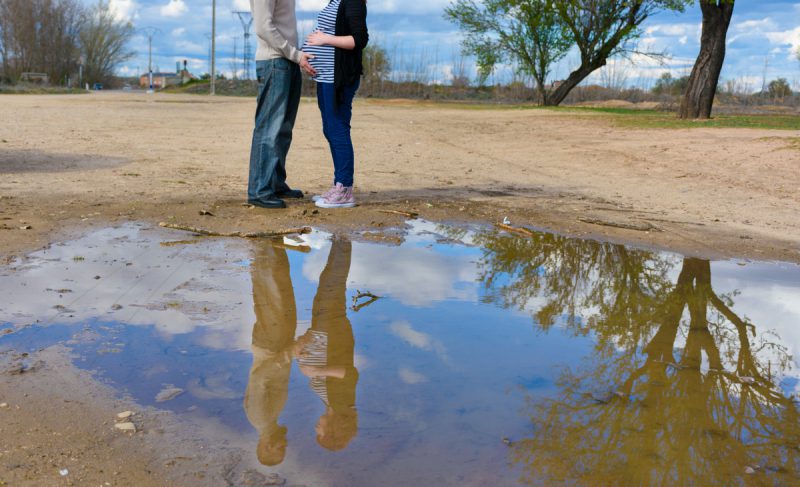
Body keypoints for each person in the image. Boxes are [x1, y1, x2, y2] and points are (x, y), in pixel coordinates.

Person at [247, 0, 317, 209]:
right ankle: (259, 190)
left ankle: (275, 183)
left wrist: (295, 56)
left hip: (288, 61)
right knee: (269, 129)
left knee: (283, 129)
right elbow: (263, 27)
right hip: (275, 61)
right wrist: (295, 54)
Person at [302, 0, 369, 209]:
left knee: (338, 129)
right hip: (325, 76)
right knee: (330, 129)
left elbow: (359, 39)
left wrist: (324, 39)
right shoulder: (335, 1)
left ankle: (345, 190)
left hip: (337, 77)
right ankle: (339, 184)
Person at [294, 238, 359, 450]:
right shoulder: (343, 404)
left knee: (329, 283)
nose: (316, 428)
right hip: (333, 334)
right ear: (333, 429)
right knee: (333, 283)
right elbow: (349, 374)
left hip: (322, 332)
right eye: (320, 432)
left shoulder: (331, 405)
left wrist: (302, 346)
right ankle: (343, 238)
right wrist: (316, 370)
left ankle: (340, 240)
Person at [243, 243, 298, 466]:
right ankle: (270, 243)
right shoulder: (269, 418)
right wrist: (291, 351)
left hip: (270, 345)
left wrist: (291, 352)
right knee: (278, 289)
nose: (285, 444)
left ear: (266, 446)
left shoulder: (260, 417)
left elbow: (261, 376)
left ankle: (265, 244)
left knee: (271, 289)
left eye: (280, 448)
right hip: (276, 345)